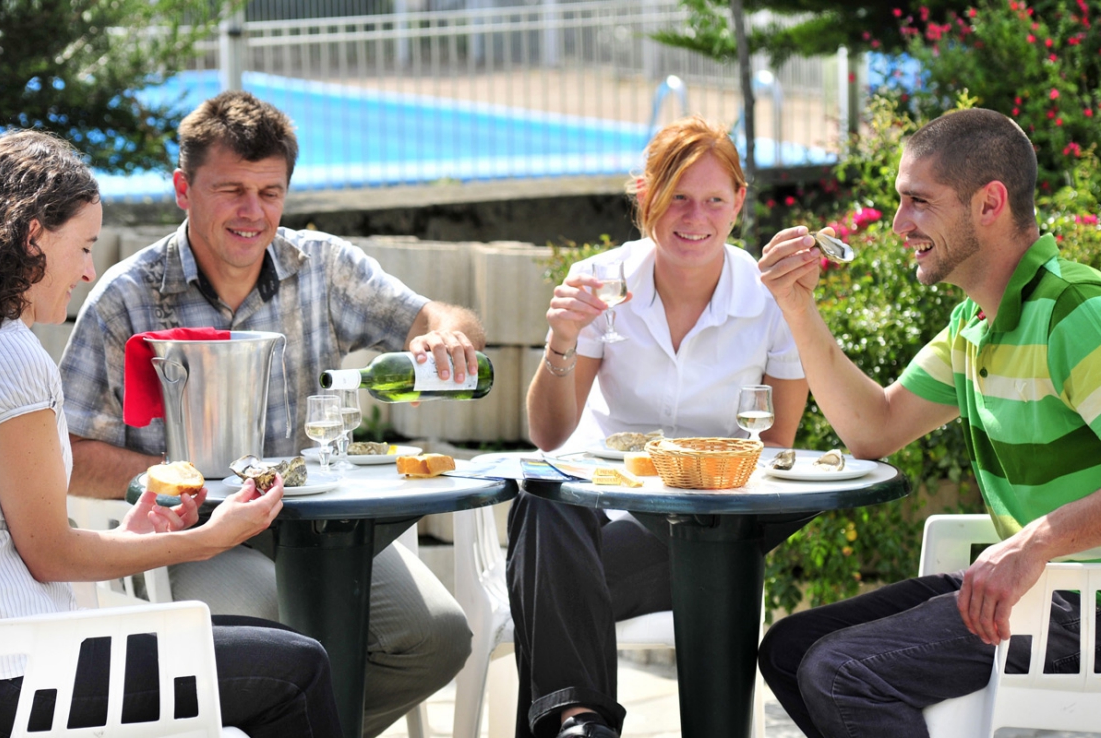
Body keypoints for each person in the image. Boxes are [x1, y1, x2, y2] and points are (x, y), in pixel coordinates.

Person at [58, 90, 478, 737]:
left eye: (270, 192)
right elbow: (71, 454)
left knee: (438, 637)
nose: (252, 212)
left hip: (317, 521)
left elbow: (442, 317)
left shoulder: (324, 267)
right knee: (275, 629)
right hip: (190, 533)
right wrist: (180, 477)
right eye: (231, 190)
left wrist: (445, 335)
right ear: (183, 188)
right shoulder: (126, 296)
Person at [0, 130, 342, 738]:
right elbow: (50, 555)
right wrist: (208, 539)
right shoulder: (10, 358)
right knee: (301, 667)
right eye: (82, 247)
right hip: (25, 681)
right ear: (32, 236)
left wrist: (130, 532)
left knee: (282, 647)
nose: (87, 270)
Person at [755, 107, 1101, 738]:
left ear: (989, 203)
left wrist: (1035, 542)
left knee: (841, 672)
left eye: (918, 201)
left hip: (1085, 609)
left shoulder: (1073, 313)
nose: (897, 224)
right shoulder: (974, 325)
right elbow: (874, 428)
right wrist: (797, 308)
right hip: (1033, 594)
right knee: (790, 649)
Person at [509, 115, 809, 738]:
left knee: (544, 584)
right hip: (598, 515)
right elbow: (549, 436)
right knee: (544, 501)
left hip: (710, 523)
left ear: (738, 205)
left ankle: (576, 722)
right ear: (645, 195)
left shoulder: (772, 300)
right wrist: (562, 340)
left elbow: (779, 446)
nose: (694, 217)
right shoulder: (600, 282)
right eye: (677, 197)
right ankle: (581, 722)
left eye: (713, 200)